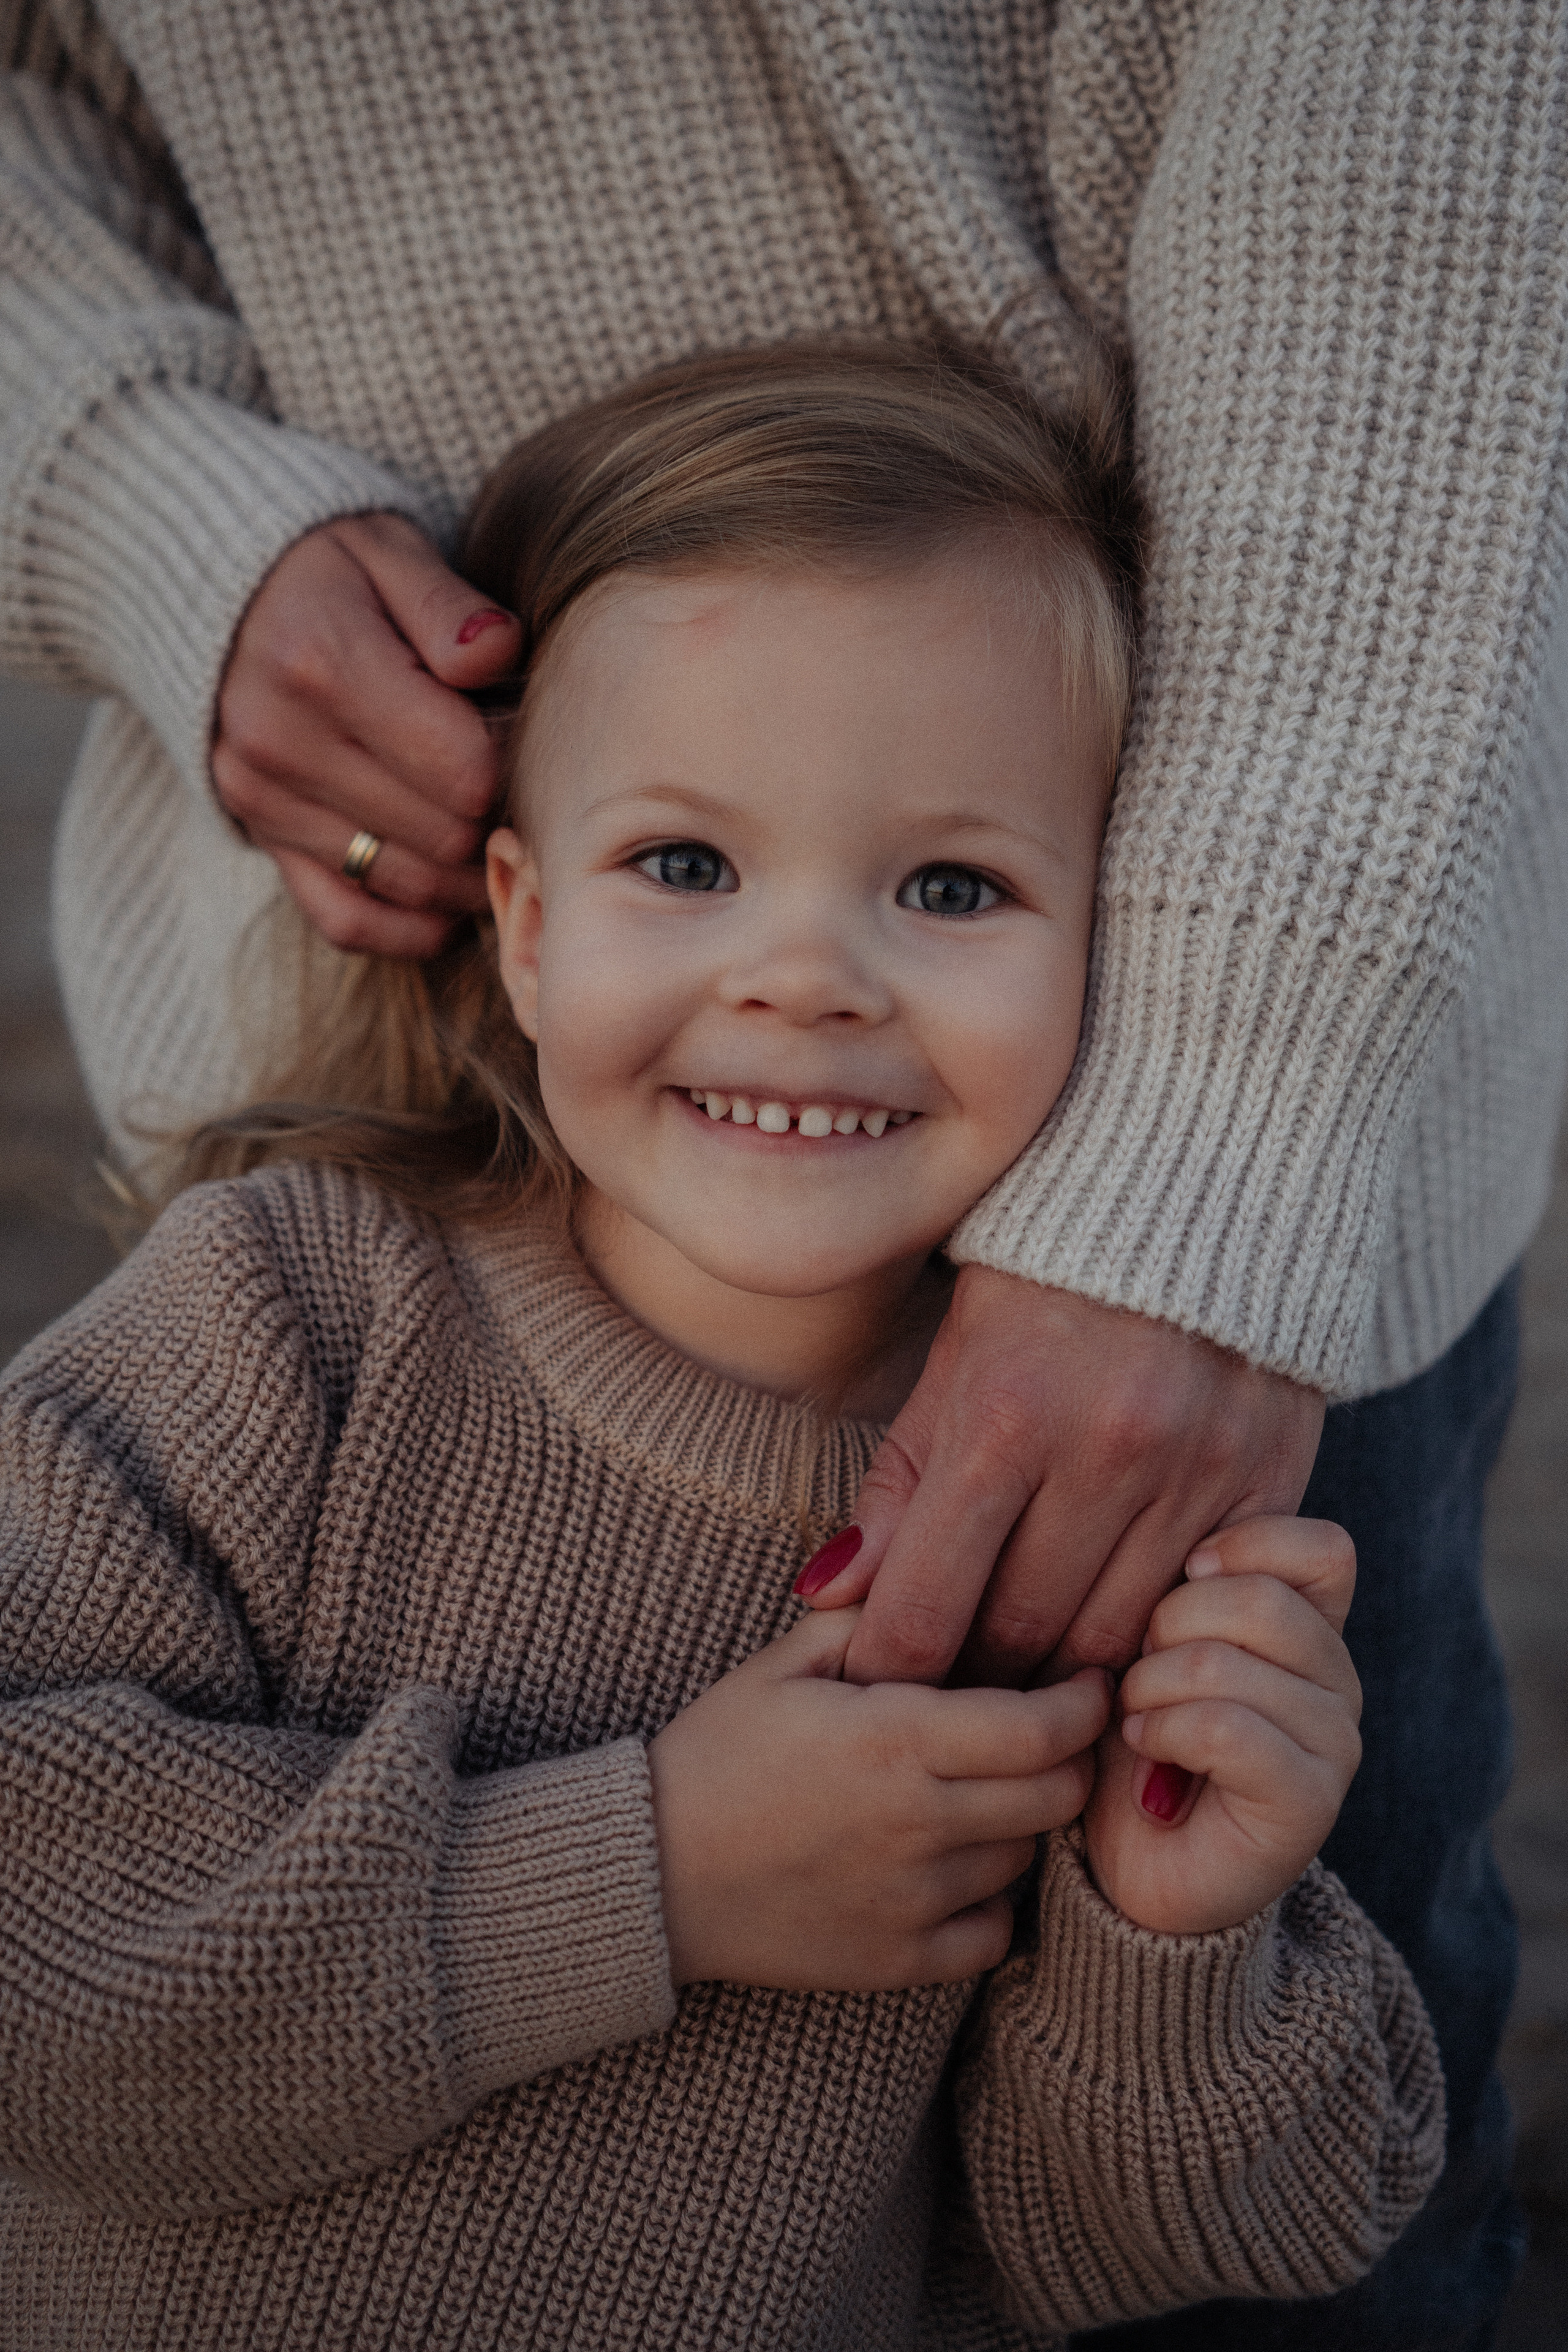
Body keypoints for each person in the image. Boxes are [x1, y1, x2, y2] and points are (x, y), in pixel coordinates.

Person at [2, 8, 1564, 2342]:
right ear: (518, 917)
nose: (810, 978)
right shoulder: (278, 1331)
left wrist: (1174, 1940)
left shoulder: (1127, 1538)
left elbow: (1203, 2256)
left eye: (949, 891)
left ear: (1123, 916)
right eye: (686, 861)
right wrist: (646, 1873)